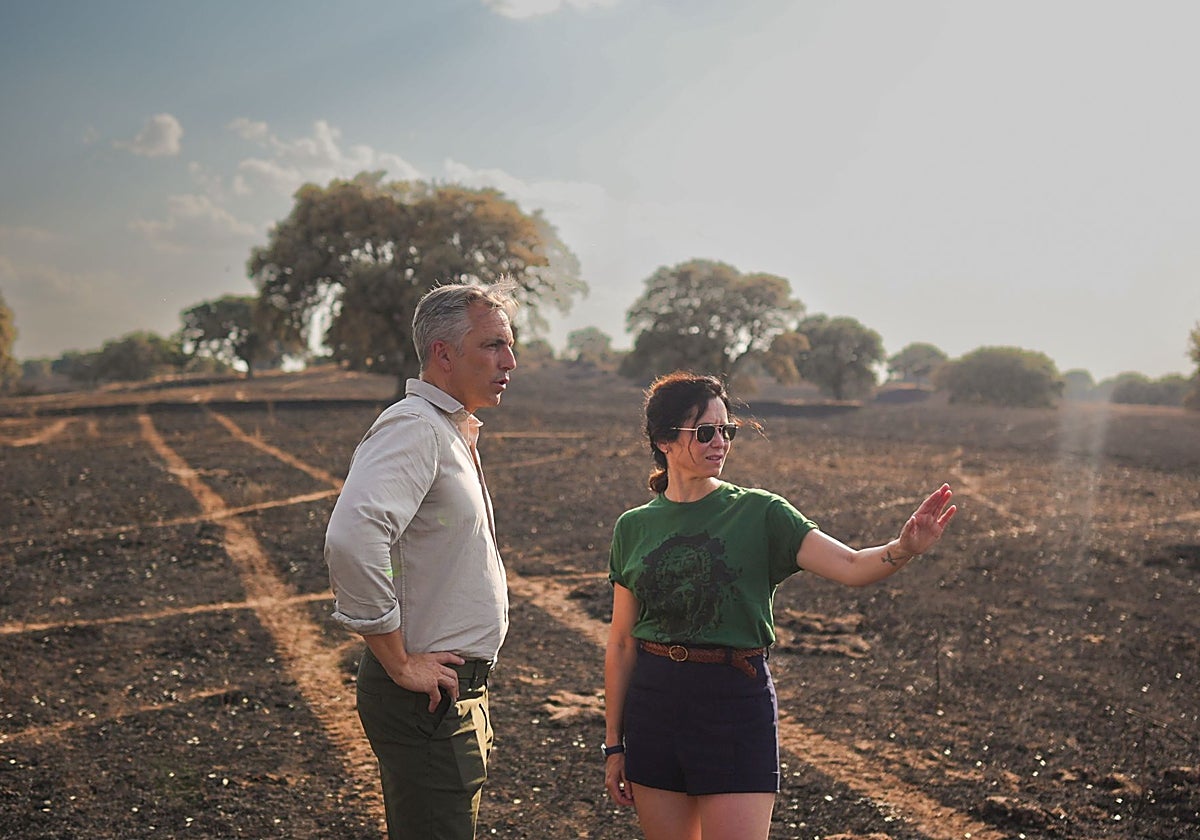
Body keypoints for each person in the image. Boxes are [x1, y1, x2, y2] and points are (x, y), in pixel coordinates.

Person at [603, 371, 957, 840]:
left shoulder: (762, 513)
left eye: (726, 431)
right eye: (704, 432)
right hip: (655, 705)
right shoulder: (633, 527)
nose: (720, 443)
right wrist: (614, 746)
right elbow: (624, 642)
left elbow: (851, 566)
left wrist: (904, 547)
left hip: (733, 700)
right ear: (664, 440)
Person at [324, 280, 519, 839]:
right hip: (425, 696)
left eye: (509, 346)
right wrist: (398, 659)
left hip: (451, 693)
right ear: (442, 353)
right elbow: (354, 539)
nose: (509, 361)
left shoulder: (448, 430)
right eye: (492, 346)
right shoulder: (415, 427)